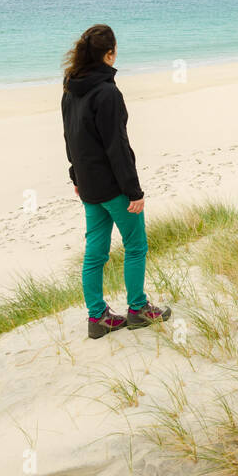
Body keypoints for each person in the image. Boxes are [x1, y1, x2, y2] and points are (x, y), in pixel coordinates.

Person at [61, 24, 171, 339]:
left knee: (95, 251)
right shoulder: (107, 92)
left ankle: (97, 317)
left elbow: (70, 136)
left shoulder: (70, 86)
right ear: (110, 54)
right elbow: (117, 147)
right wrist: (133, 191)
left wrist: (75, 175)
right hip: (112, 187)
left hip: (88, 186)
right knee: (136, 245)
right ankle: (138, 309)